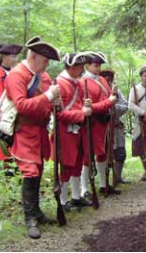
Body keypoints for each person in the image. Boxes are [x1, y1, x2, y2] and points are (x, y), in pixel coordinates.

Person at [5, 36, 60, 239]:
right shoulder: (17, 76)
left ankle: (36, 212)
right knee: (30, 173)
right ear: (34, 56)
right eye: (45, 60)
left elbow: (47, 102)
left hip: (40, 131)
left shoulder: (43, 76)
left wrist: (55, 101)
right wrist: (48, 96)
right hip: (24, 131)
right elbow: (21, 105)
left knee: (37, 171)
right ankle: (30, 219)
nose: (47, 64)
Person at [51, 52, 93, 212]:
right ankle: (62, 201)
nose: (82, 70)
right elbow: (59, 114)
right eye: (80, 67)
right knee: (66, 166)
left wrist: (87, 104)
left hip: (78, 129)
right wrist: (82, 112)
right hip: (65, 132)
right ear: (71, 67)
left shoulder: (78, 83)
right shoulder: (59, 84)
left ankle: (76, 197)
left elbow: (80, 103)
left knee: (77, 164)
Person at [79, 52, 121, 200]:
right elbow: (89, 108)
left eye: (99, 65)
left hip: (104, 123)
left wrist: (114, 95)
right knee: (87, 156)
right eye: (95, 65)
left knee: (103, 154)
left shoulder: (102, 79)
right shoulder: (82, 82)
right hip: (92, 123)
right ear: (87, 65)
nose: (98, 68)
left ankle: (103, 185)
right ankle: (84, 189)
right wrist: (109, 102)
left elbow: (110, 97)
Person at [0, 43, 22, 176]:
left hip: (18, 115)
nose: (14, 59)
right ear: (3, 56)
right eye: (12, 56)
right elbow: (0, 99)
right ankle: (9, 180)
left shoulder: (18, 73)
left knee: (18, 149)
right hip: (6, 116)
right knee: (6, 150)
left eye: (16, 56)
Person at [99, 69, 129, 185]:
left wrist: (113, 108)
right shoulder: (99, 90)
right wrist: (107, 107)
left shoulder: (117, 91)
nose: (108, 79)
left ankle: (117, 177)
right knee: (105, 155)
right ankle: (105, 181)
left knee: (120, 153)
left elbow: (125, 106)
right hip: (104, 128)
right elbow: (100, 108)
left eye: (110, 77)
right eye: (105, 77)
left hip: (117, 127)